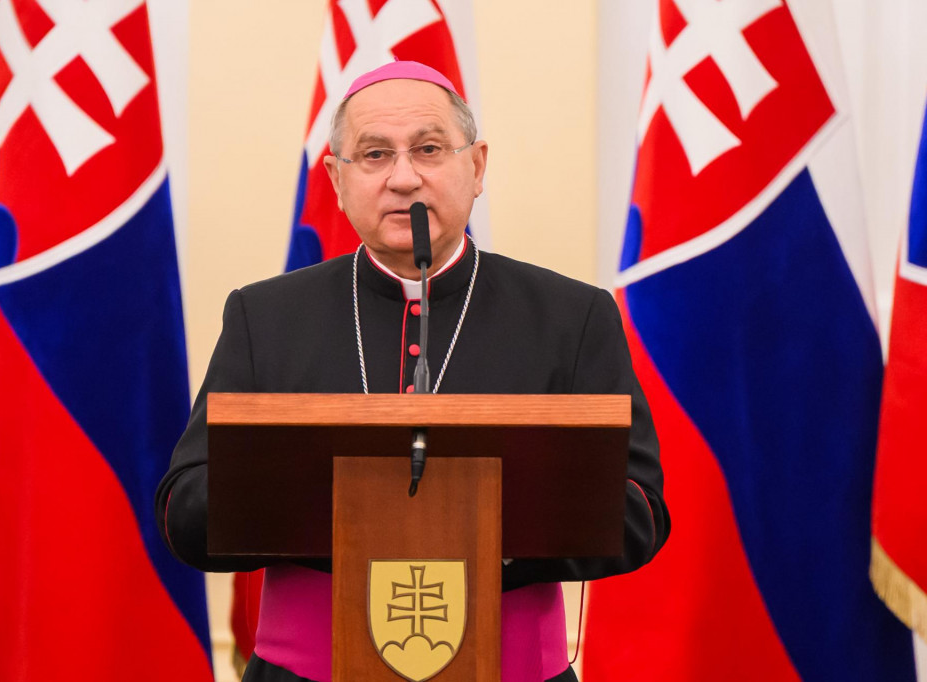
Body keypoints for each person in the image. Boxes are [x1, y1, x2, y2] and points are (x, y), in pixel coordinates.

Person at [155, 61, 669, 682]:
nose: (403, 178)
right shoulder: (264, 316)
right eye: (373, 155)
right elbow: (185, 511)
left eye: (428, 149)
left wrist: (463, 527)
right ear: (337, 181)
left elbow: (638, 510)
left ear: (476, 167)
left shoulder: (572, 316)